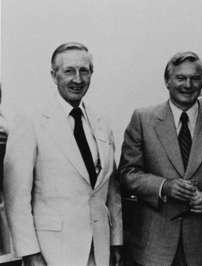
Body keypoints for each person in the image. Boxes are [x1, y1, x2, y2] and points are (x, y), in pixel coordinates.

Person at [3, 42, 123, 266]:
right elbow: (16, 196)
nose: (77, 79)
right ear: (54, 75)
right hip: (53, 251)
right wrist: (30, 253)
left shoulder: (101, 122)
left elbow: (111, 190)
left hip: (99, 249)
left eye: (84, 71)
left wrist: (116, 242)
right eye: (69, 71)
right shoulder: (31, 121)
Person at [118, 51, 202, 266]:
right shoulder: (143, 119)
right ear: (167, 81)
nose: (187, 85)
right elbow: (127, 174)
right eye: (180, 78)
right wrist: (164, 186)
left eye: (195, 79)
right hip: (153, 247)